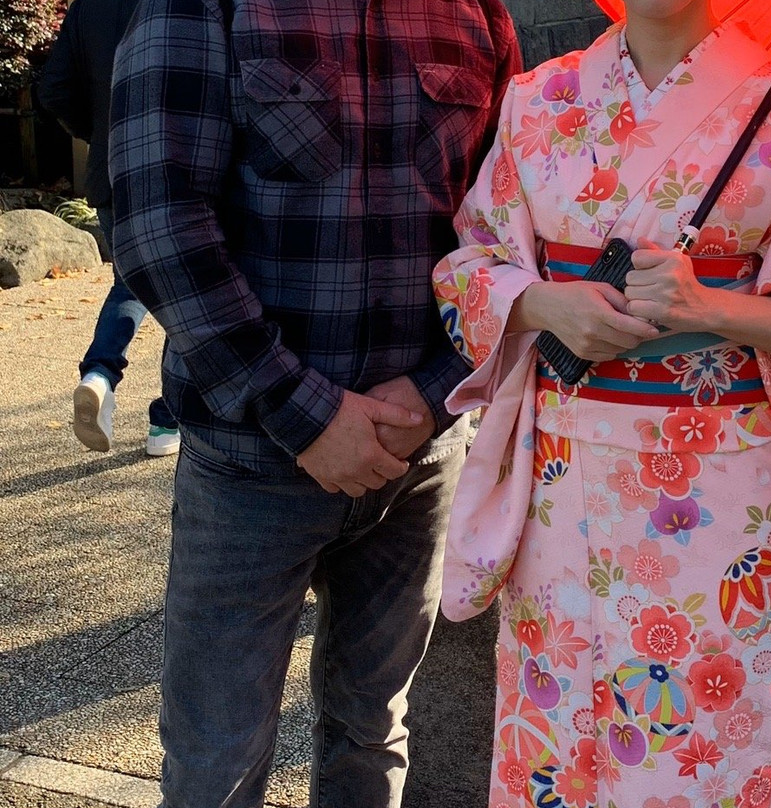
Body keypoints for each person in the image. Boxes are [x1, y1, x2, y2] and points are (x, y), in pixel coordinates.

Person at [433, 1, 771, 806]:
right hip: (563, 464)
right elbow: (469, 263)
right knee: (554, 719)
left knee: (701, 731)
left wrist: (711, 308)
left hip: (714, 484)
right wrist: (548, 304)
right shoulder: (540, 98)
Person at [107, 0, 520, 804]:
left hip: (420, 461)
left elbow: (507, 229)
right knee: (214, 761)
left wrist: (439, 391)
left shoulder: (473, 11)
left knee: (374, 731)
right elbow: (158, 223)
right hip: (251, 463)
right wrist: (307, 413)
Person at [37, 0, 181, 457]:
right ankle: (166, 422)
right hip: (183, 167)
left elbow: (55, 88)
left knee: (131, 283)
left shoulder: (89, 5)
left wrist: (104, 132)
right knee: (189, 291)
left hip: (112, 169)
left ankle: (99, 374)